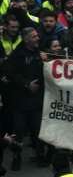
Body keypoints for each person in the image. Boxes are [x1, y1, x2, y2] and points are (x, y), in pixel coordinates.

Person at [4, 27, 46, 170]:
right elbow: (9, 72)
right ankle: (17, 157)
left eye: (37, 36)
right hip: (20, 101)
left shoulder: (41, 51)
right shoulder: (16, 55)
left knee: (39, 130)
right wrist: (26, 84)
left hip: (37, 100)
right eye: (34, 37)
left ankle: (40, 155)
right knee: (18, 131)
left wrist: (47, 59)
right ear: (26, 39)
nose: (37, 39)